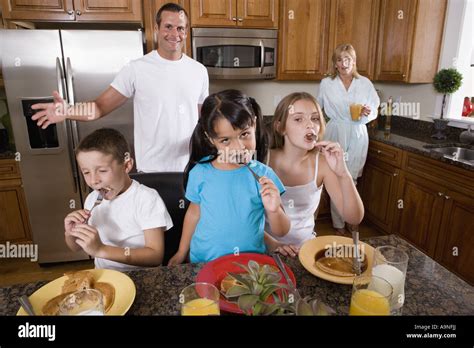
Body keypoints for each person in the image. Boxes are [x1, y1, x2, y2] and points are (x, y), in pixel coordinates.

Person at [31, 3, 209, 172]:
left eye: (180, 28)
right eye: (168, 27)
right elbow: (99, 106)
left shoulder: (199, 71)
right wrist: (67, 111)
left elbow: (203, 120)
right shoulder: (137, 69)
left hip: (191, 166)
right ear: (156, 29)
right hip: (152, 168)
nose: (174, 34)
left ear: (186, 32)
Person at [168, 90, 290, 264]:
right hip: (204, 261)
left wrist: (274, 210)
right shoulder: (201, 173)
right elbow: (194, 214)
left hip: (251, 264)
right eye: (226, 140)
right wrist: (181, 251)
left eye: (244, 134)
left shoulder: (264, 175)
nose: (239, 148)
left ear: (254, 125)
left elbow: (282, 231)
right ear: (211, 139)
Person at [264, 93, 364, 257]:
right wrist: (274, 244)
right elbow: (246, 219)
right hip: (266, 248)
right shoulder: (263, 161)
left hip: (305, 251)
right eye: (298, 119)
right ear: (280, 127)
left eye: (315, 119)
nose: (310, 125)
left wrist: (343, 173)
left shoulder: (323, 164)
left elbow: (354, 218)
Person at [64, 128, 173, 270]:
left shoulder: (146, 199)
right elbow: (75, 248)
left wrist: (101, 250)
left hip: (141, 277)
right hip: (105, 275)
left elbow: (155, 256)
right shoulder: (92, 200)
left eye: (102, 171)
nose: (93, 181)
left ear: (127, 165)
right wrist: (70, 232)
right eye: (86, 172)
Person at [317, 43, 379, 235]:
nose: (343, 63)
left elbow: (374, 109)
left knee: (350, 178)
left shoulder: (365, 84)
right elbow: (318, 108)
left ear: (354, 62)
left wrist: (367, 114)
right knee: (334, 176)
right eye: (339, 59)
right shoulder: (327, 83)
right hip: (335, 131)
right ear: (334, 63)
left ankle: (351, 217)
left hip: (358, 132)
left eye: (347, 59)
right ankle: (338, 224)